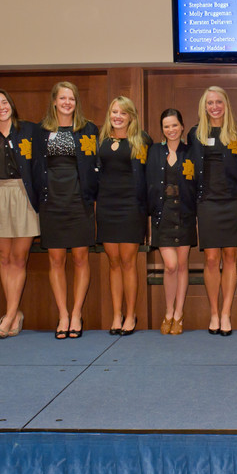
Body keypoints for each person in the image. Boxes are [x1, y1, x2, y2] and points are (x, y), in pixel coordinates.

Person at [34, 82, 98, 339]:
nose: (67, 102)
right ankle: (62, 314)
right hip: (52, 201)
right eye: (62, 98)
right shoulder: (40, 131)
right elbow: (35, 165)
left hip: (78, 200)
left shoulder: (87, 129)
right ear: (54, 101)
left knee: (81, 257)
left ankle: (76, 313)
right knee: (56, 260)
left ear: (76, 102)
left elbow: (94, 163)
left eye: (71, 98)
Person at [187, 86, 237, 336]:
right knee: (211, 259)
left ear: (226, 105)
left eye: (219, 102)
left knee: (231, 258)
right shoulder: (195, 133)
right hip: (208, 202)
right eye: (210, 102)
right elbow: (190, 168)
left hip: (233, 200)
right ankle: (213, 312)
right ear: (204, 106)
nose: (214, 107)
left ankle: (226, 313)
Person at [0, 89, 38, 338]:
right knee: (4, 258)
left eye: (5, 102)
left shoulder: (29, 130)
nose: (1, 107)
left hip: (23, 192)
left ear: (11, 105)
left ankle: (11, 314)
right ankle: (13, 312)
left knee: (19, 258)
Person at [97, 96, 151, 336]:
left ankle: (131, 314)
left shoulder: (142, 140)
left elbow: (148, 177)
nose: (117, 116)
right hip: (107, 206)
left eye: (122, 113)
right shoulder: (100, 141)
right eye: (113, 112)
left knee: (129, 262)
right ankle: (116, 314)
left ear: (131, 116)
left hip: (131, 206)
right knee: (113, 262)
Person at [146, 108, 196, 336]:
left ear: (182, 126)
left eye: (175, 125)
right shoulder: (154, 152)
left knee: (183, 265)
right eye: (166, 126)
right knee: (171, 266)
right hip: (163, 213)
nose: (171, 129)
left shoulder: (191, 151)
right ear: (162, 129)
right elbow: (147, 183)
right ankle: (168, 311)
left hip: (184, 213)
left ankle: (179, 313)